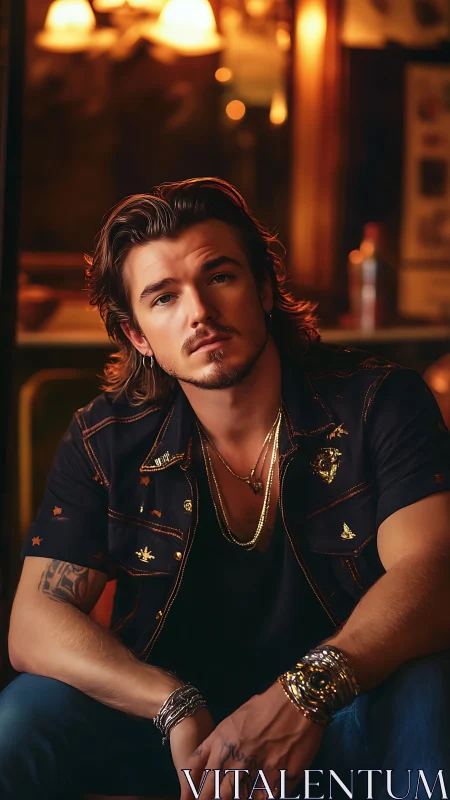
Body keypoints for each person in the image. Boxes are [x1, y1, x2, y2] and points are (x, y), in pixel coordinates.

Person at [1, 177, 450, 800]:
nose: (199, 313)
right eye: (162, 298)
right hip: (181, 741)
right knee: (25, 715)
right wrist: (173, 704)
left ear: (264, 288)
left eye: (219, 277)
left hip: (343, 716)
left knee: (430, 688)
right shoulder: (104, 439)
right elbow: (33, 620)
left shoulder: (379, 401)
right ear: (138, 336)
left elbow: (432, 573)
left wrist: (306, 694)